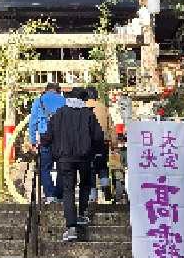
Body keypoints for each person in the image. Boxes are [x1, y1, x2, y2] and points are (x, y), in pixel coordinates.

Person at [41, 87, 105, 241]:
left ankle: (71, 228)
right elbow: (98, 136)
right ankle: (82, 214)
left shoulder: (59, 113)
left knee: (68, 190)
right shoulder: (88, 114)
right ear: (83, 99)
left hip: (64, 158)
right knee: (85, 185)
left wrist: (44, 143)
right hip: (85, 157)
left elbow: (48, 136)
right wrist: (96, 151)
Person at [28, 82, 65, 203]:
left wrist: (33, 141)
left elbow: (33, 123)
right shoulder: (64, 101)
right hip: (61, 139)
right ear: (58, 90)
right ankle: (60, 195)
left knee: (45, 167)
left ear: (46, 90)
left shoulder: (38, 101)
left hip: (45, 138)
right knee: (61, 167)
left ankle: (49, 194)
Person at [86, 86, 118, 204]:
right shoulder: (103, 107)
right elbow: (111, 127)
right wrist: (114, 142)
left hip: (88, 143)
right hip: (102, 142)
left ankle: (92, 196)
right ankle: (105, 185)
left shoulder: (83, 108)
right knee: (102, 165)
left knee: (90, 169)